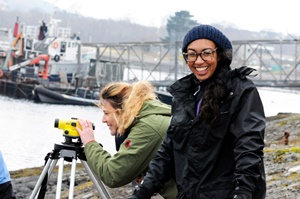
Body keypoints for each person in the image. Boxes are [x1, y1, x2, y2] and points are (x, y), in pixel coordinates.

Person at [125, 24, 266, 199]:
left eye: (206, 53)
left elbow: (249, 146)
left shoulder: (240, 90)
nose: (198, 61)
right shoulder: (184, 95)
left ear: (220, 54)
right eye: (191, 54)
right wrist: (142, 192)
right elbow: (167, 151)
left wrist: (244, 192)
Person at [76, 80, 178, 198]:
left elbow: (112, 175)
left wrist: (89, 142)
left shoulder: (148, 128)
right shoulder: (154, 116)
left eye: (106, 113)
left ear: (122, 110)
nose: (103, 120)